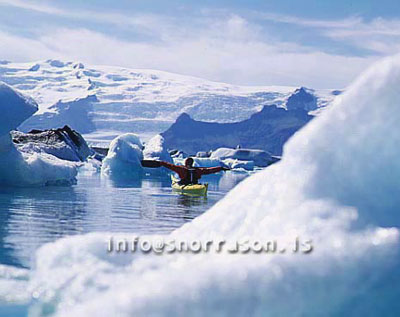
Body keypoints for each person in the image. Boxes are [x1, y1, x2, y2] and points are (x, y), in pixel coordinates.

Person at [160, 157, 229, 185]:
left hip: (184, 185)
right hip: (194, 184)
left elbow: (170, 166)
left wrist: (162, 163)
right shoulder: (198, 170)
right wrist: (221, 168)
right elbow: (209, 170)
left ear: (185, 163)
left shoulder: (181, 169)